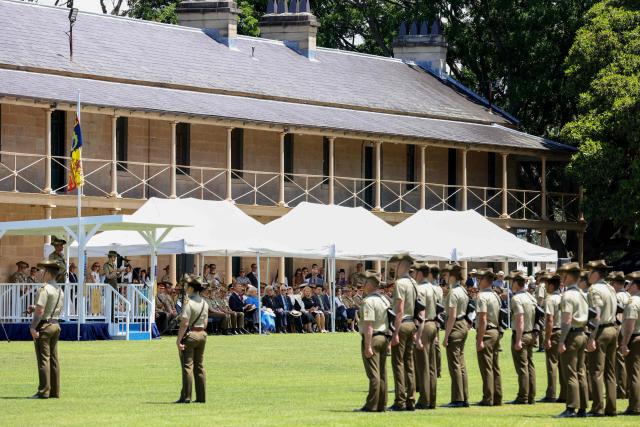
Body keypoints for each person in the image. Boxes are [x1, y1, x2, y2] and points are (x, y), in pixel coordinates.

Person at [584, 259, 618, 417]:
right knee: (610, 372)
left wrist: (591, 337)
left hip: (601, 331)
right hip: (612, 328)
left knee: (596, 371)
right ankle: (611, 408)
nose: (587, 274)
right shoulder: (610, 288)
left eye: (589, 271)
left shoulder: (594, 289)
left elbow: (595, 316)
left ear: (595, 273)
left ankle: (598, 408)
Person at [556, 262, 589, 418]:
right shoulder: (582, 293)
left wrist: (561, 341)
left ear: (569, 277)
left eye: (563, 275)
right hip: (582, 333)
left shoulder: (568, 295)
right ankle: (582, 407)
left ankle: (571, 407)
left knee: (570, 372)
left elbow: (566, 320)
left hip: (572, 335)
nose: (562, 277)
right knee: (580, 372)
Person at [29, 259, 65, 399]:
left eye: (43, 271)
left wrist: (33, 327)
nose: (42, 273)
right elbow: (53, 309)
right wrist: (35, 308)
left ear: (48, 273)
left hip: (44, 326)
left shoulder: (44, 289)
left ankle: (44, 391)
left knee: (44, 359)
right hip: (56, 325)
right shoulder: (59, 290)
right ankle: (55, 391)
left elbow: (40, 311)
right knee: (54, 359)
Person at [355, 271, 390, 412]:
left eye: (364, 282)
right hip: (384, 337)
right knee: (382, 373)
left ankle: (372, 404)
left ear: (369, 284)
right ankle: (382, 403)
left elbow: (368, 325)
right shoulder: (385, 300)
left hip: (373, 337)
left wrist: (367, 346)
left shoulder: (368, 301)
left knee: (373, 374)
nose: (362, 285)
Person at [389, 255, 418, 411]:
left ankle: (400, 400)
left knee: (398, 364)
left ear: (401, 266)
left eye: (396, 265)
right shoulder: (414, 283)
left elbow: (399, 310)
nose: (394, 268)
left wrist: (394, 333)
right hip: (412, 323)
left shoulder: (400, 283)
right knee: (409, 364)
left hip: (402, 324)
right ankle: (411, 399)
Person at [175, 275, 208, 404]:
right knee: (199, 367)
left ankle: (186, 397)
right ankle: (201, 397)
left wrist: (178, 340)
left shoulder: (188, 302)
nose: (185, 288)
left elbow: (184, 323)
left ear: (191, 288)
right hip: (202, 334)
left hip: (191, 335)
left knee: (187, 366)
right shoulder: (204, 302)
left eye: (187, 286)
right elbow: (205, 323)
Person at [442, 262, 470, 408]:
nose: (444, 277)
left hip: (456, 326)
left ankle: (457, 399)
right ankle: (464, 397)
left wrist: (446, 336)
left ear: (451, 275)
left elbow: (451, 316)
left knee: (454, 365)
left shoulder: (453, 292)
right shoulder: (463, 290)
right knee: (461, 364)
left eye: (446, 274)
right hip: (463, 325)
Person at [474, 268, 503, 407]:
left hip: (486, 332)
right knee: (495, 367)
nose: (478, 281)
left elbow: (482, 320)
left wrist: (479, 340)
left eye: (480, 278)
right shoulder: (496, 295)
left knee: (486, 367)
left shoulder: (482, 296)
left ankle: (488, 398)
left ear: (485, 280)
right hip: (495, 331)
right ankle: (497, 397)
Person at [508, 269, 537, 405]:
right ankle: (531, 396)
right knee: (530, 366)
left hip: (522, 334)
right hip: (531, 333)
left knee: (522, 368)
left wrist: (518, 340)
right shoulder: (530, 297)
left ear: (515, 283)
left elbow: (519, 319)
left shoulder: (516, 298)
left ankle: (523, 396)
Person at [413, 262, 438, 410]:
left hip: (424, 325)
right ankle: (432, 400)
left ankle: (424, 400)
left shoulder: (420, 289)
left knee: (423, 365)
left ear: (419, 273)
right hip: (433, 324)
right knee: (431, 367)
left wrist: (417, 335)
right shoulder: (433, 288)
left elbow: (421, 314)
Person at [542, 272, 566, 403]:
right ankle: (564, 393)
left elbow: (549, 320)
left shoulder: (550, 299)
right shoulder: (563, 297)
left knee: (552, 364)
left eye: (546, 283)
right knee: (563, 365)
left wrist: (546, 338)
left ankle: (551, 393)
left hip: (555, 332)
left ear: (551, 285)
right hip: (564, 332)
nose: (545, 286)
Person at [619, 271, 640, 416]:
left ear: (635, 286)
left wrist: (624, 343)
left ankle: (635, 406)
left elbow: (629, 325)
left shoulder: (633, 302)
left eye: (630, 283)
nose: (627, 286)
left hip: (635, 338)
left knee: (634, 374)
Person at [611, 270, 631, 399]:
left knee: (619, 361)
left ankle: (621, 390)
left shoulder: (617, 296)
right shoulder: (629, 295)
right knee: (627, 360)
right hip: (629, 328)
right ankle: (628, 388)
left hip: (619, 327)